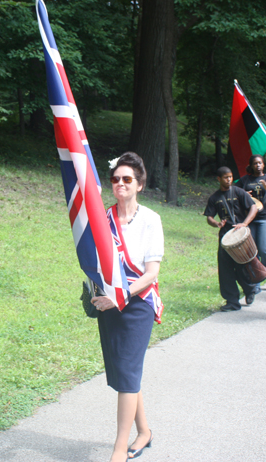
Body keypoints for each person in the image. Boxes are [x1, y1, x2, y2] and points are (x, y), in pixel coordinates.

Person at [91, 152, 164, 462]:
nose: (120, 183)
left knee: (128, 373)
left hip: (138, 304)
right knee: (126, 371)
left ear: (140, 185)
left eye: (127, 179)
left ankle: (119, 449)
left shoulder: (150, 220)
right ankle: (144, 431)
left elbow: (151, 274)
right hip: (108, 304)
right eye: (116, 179)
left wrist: (119, 297)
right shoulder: (102, 218)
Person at [204, 166, 260, 310]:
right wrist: (216, 223)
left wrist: (245, 223)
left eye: (230, 177)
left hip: (240, 236)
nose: (229, 180)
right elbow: (209, 217)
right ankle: (232, 302)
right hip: (225, 238)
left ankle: (250, 289)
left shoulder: (239, 192)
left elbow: (253, 208)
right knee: (225, 270)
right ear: (219, 179)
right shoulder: (215, 197)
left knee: (242, 266)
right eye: (225, 177)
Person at [237, 155, 266, 289]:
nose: (258, 165)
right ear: (251, 165)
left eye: (260, 163)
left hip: (265, 217)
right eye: (255, 163)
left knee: (264, 249)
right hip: (249, 218)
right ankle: (257, 279)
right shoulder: (245, 179)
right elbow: (234, 193)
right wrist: (244, 194)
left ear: (264, 164)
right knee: (253, 251)